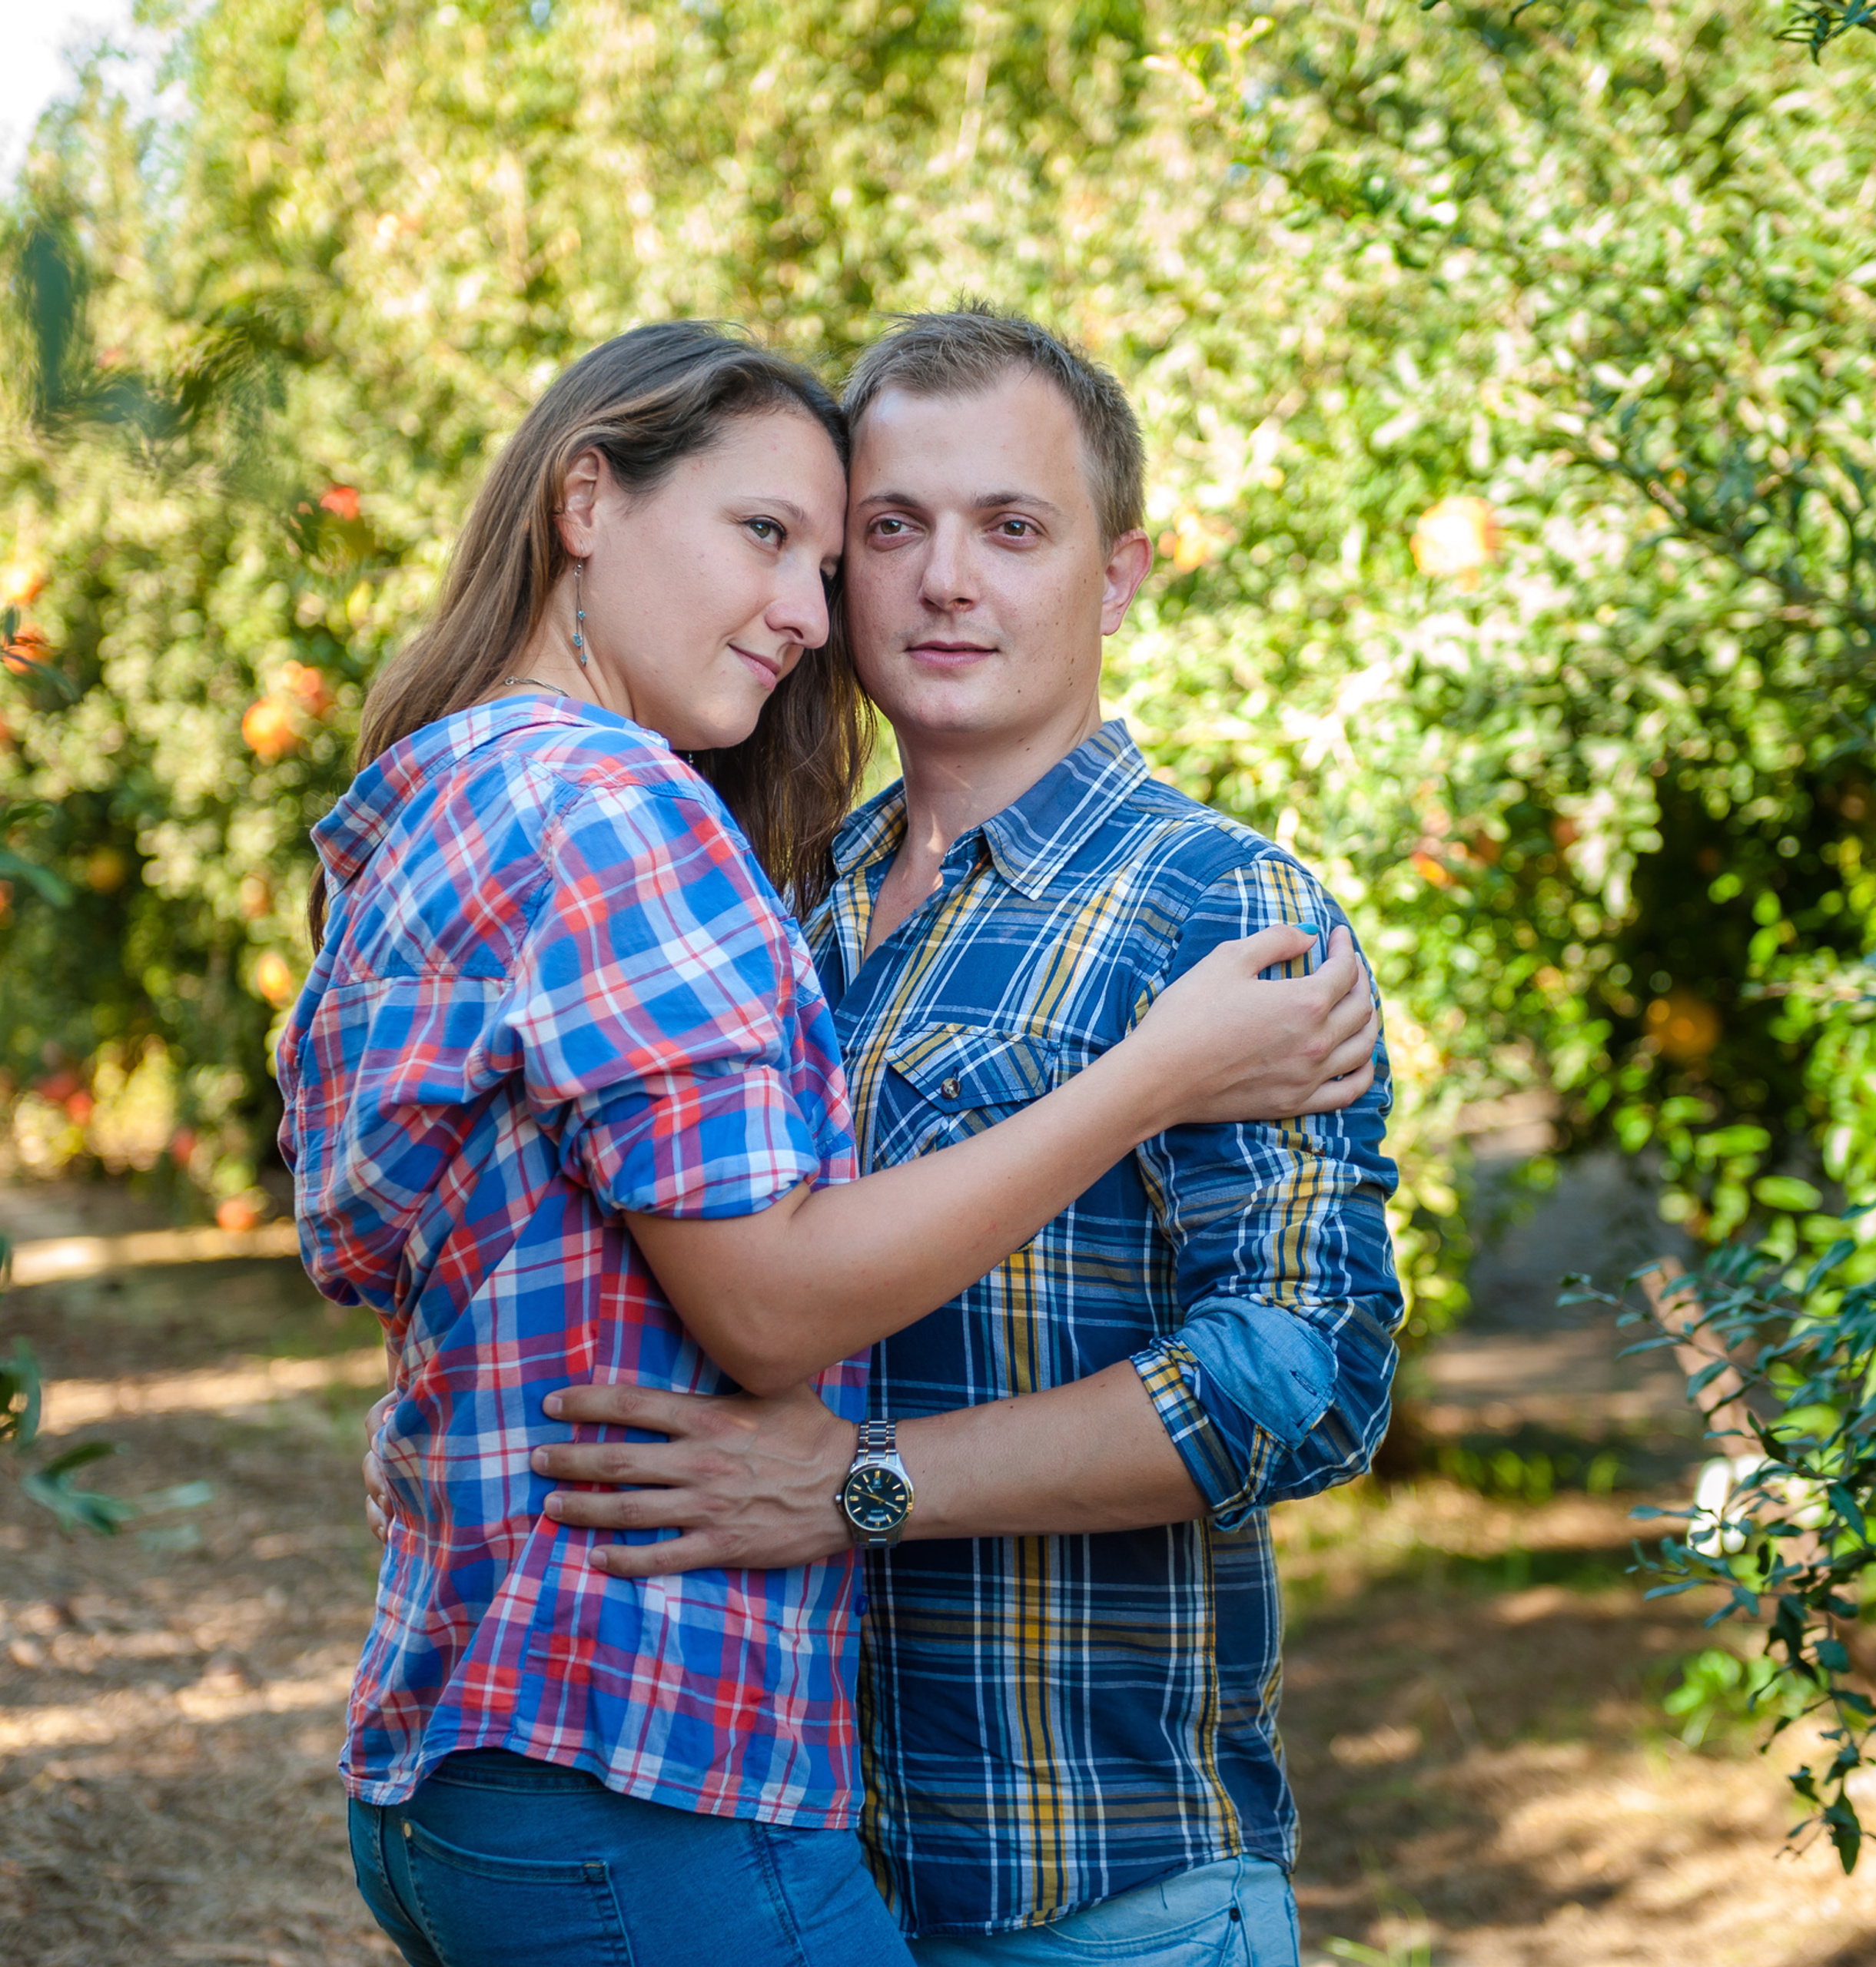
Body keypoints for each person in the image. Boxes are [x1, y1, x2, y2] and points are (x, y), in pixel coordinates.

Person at [292, 320, 1381, 1967]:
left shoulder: (1218, 913)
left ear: (1118, 574)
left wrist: (861, 1487)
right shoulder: (772, 896)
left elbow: (1302, 1374)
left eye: (1012, 528)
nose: (942, 579)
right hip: (757, 1835)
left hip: (1082, 1882)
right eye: (886, 529)